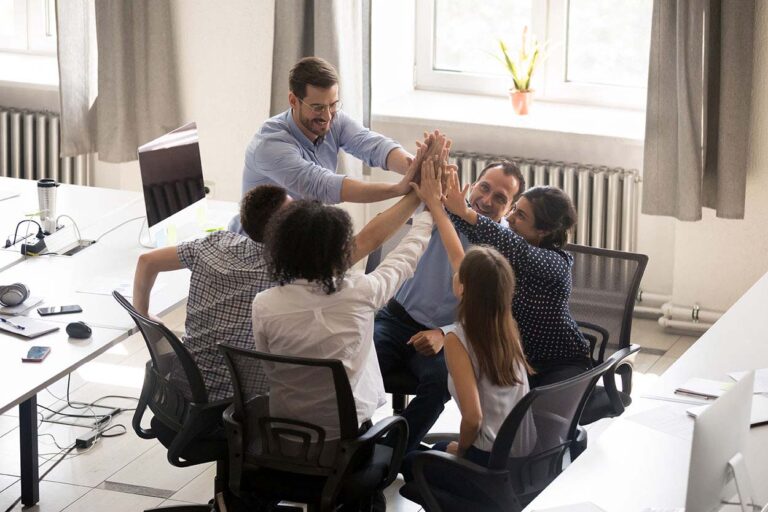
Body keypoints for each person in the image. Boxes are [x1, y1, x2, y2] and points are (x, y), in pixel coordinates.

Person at [373, 159, 525, 452]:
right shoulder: (444, 209)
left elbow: (486, 311)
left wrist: (444, 334)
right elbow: (425, 195)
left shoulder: (504, 245)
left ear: (510, 207)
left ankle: (389, 455)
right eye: (484, 188)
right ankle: (355, 445)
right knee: (358, 368)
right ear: (474, 183)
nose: (486, 200)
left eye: (500, 198)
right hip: (397, 319)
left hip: (450, 335)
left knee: (440, 384)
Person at [132, 184, 290, 401]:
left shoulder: (216, 242)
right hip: (232, 406)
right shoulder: (281, 271)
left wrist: (142, 315)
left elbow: (147, 261)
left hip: (182, 392)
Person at [443, 177, 591, 387]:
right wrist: (444, 194)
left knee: (538, 415)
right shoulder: (508, 247)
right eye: (513, 209)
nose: (510, 218)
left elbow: (518, 251)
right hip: (517, 361)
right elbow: (471, 227)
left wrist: (466, 212)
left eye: (520, 215)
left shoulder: (556, 263)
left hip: (562, 365)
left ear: (544, 230)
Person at [240, 56, 419, 208]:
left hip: (298, 234)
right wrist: (397, 189)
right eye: (317, 107)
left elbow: (374, 146)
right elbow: (323, 185)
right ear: (293, 101)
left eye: (333, 105)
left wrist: (417, 169)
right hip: (261, 245)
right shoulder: (270, 145)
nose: (327, 116)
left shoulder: (335, 119)